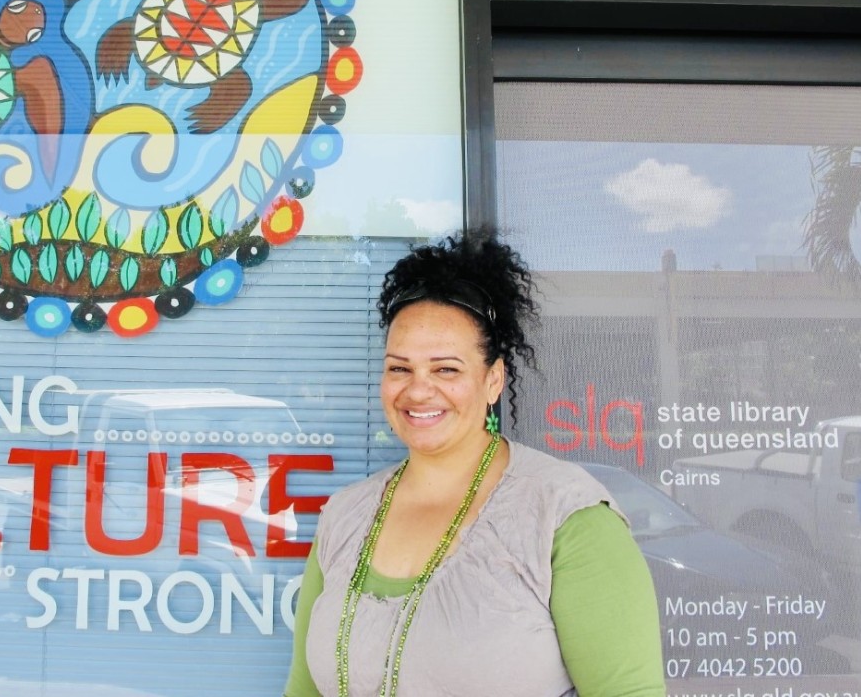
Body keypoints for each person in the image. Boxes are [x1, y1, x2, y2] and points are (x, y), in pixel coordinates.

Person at [284, 231, 665, 696]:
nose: (418, 390)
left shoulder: (566, 518)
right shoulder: (344, 517)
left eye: (446, 369)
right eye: (399, 368)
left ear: (493, 380)